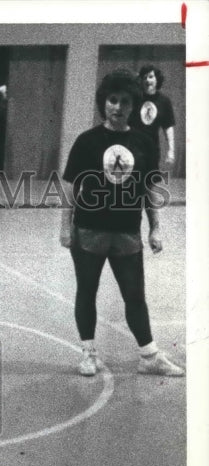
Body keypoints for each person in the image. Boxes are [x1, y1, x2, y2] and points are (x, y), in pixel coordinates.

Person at [59, 68, 183, 378]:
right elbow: (70, 186)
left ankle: (149, 356)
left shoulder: (143, 142)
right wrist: (65, 225)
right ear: (104, 102)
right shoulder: (87, 141)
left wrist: (155, 226)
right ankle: (88, 353)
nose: (117, 107)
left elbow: (149, 188)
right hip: (89, 230)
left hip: (128, 231)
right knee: (87, 291)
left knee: (134, 294)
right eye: (112, 100)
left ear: (133, 105)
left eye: (124, 102)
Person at [133, 65, 176, 171]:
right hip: (132, 148)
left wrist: (171, 150)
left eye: (151, 77)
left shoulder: (164, 101)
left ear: (157, 79)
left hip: (151, 150)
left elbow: (168, 126)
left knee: (148, 183)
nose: (147, 80)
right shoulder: (134, 98)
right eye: (144, 77)